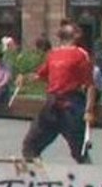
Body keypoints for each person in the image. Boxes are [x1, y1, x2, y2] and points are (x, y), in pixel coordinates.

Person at [18, 22, 97, 163]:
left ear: (76, 34)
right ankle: (39, 178)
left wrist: (89, 110)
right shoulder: (53, 54)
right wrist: (25, 78)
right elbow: (41, 75)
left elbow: (90, 85)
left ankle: (89, 178)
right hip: (52, 103)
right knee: (30, 146)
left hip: (71, 105)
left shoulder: (81, 54)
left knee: (80, 151)